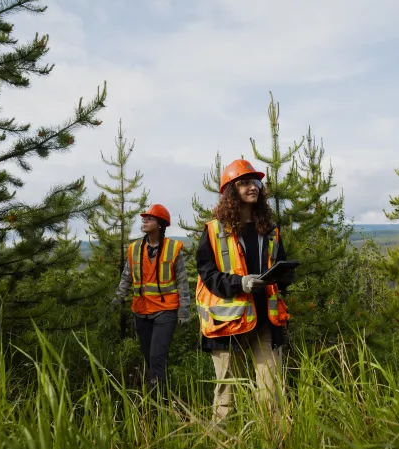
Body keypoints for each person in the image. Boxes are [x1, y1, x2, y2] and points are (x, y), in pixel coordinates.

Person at [195, 159, 296, 423]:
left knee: (272, 394)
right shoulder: (214, 231)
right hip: (229, 324)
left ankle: (274, 442)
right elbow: (208, 275)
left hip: (265, 320)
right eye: (245, 183)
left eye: (256, 182)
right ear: (231, 190)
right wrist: (240, 283)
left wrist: (284, 277)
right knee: (226, 397)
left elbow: (279, 266)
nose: (253, 187)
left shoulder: (271, 231)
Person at [112, 204, 190, 401]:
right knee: (150, 358)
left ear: (161, 224)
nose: (144, 221)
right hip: (141, 311)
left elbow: (182, 282)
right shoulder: (134, 248)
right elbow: (126, 277)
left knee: (156, 356)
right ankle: (159, 396)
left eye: (150, 218)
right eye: (144, 218)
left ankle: (159, 403)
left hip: (166, 311)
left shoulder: (173, 248)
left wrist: (184, 312)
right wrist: (116, 299)